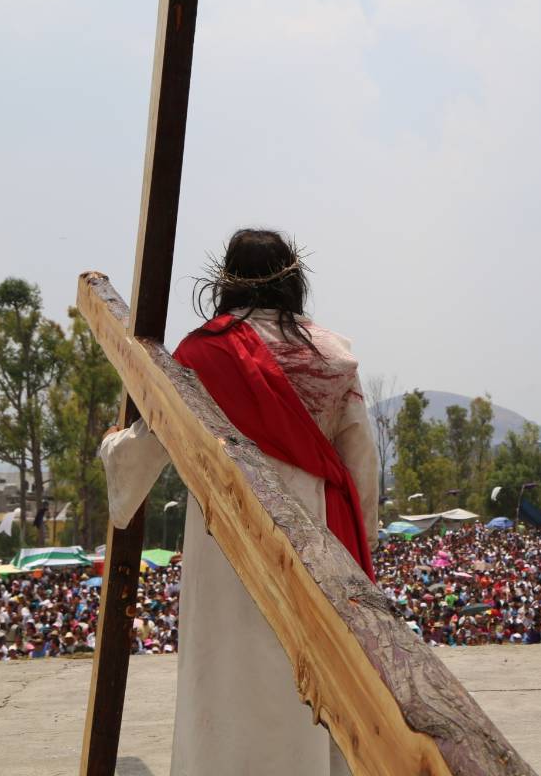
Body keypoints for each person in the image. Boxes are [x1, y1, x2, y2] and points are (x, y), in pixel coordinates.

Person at [100, 229, 379, 776]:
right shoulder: (332, 354)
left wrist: (114, 447)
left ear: (224, 280)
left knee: (226, 678)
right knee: (314, 678)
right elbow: (360, 465)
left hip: (224, 538)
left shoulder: (203, 353)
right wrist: (362, 551)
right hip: (319, 534)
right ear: (294, 278)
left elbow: (152, 441)